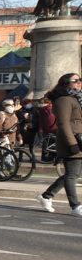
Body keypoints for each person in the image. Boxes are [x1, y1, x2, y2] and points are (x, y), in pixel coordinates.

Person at [37, 73, 82, 215]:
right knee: (72, 174)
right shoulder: (64, 99)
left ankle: (46, 196)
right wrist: (72, 143)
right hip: (71, 140)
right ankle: (75, 206)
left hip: (78, 139)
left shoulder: (75, 98)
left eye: (80, 80)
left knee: (74, 173)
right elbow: (63, 123)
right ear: (66, 83)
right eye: (76, 80)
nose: (79, 82)